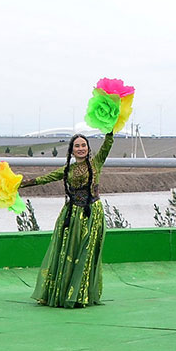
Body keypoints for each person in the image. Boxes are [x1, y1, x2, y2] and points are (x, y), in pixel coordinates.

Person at [22, 132, 115, 308]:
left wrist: (110, 130)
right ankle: (64, 293)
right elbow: (45, 179)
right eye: (77, 146)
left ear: (88, 148)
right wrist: (22, 183)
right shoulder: (68, 170)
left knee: (86, 254)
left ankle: (81, 295)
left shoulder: (96, 163)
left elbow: (107, 144)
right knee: (68, 253)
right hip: (71, 216)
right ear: (72, 151)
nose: (81, 149)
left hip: (91, 214)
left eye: (83, 145)